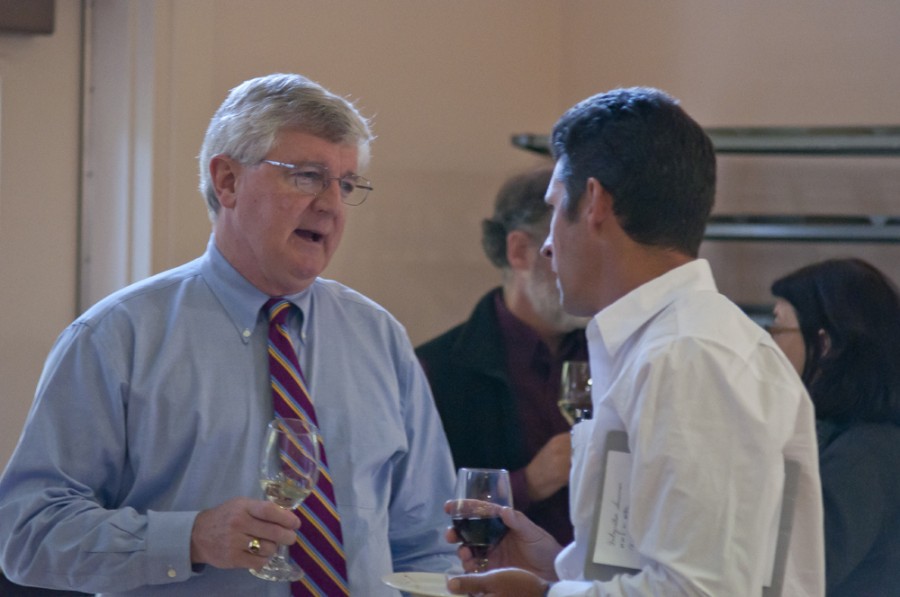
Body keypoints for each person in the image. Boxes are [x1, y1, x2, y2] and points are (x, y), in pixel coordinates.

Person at [0, 73, 457, 596]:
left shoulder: (380, 337)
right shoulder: (117, 337)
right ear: (228, 182)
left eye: (346, 183)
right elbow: (26, 534)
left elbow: (428, 546)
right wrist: (189, 537)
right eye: (308, 176)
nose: (332, 204)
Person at [445, 87, 826, 596]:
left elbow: (702, 591)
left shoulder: (691, 356)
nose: (551, 244)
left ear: (596, 202)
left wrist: (545, 596)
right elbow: (653, 562)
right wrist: (560, 569)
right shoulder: (664, 346)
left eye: (557, 208)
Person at [416, 167, 589, 546]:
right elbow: (421, 512)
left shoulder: (611, 351)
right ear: (519, 251)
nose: (585, 267)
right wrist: (530, 483)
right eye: (568, 247)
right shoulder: (440, 369)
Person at [770, 258, 900, 596]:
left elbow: (797, 575)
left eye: (778, 328)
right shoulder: (862, 442)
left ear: (824, 345)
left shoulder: (860, 460)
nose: (769, 345)